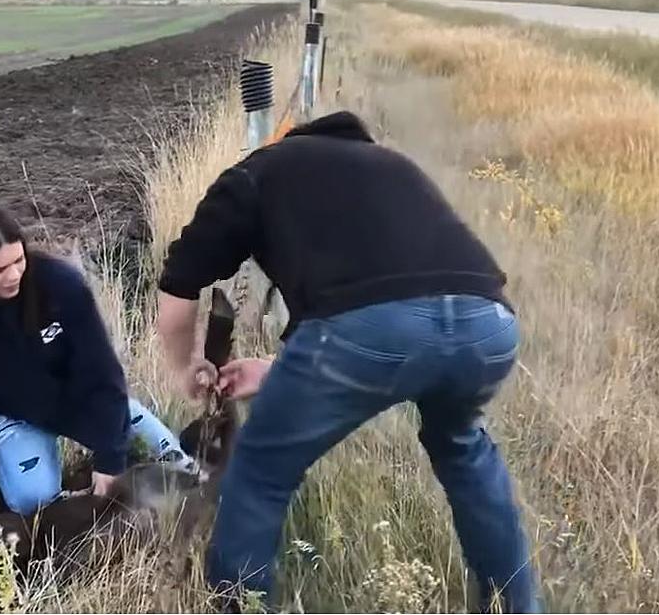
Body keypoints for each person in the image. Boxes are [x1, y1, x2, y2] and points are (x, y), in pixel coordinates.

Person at [155, 110, 539, 612]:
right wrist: (277, 369)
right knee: (463, 448)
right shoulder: (393, 166)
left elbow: (177, 287)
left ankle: (237, 606)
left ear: (287, 142)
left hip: (370, 332)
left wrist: (186, 367)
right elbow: (387, 281)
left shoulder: (261, 170)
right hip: (487, 324)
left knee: (260, 472)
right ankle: (517, 606)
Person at [0, 200, 195, 541]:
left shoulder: (62, 285)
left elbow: (102, 373)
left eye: (18, 261)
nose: (13, 275)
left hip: (79, 401)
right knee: (31, 501)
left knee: (180, 464)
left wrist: (110, 460)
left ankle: (128, 417)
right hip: (11, 413)